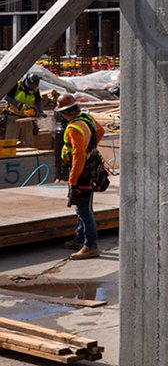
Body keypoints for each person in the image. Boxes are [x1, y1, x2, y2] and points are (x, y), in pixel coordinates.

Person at [57, 92, 104, 259]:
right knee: (83, 206)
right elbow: (101, 131)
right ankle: (79, 238)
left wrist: (73, 179)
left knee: (83, 209)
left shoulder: (73, 128)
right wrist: (90, 149)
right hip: (90, 168)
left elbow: (78, 155)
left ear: (65, 112)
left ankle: (91, 245)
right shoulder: (87, 118)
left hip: (81, 172)